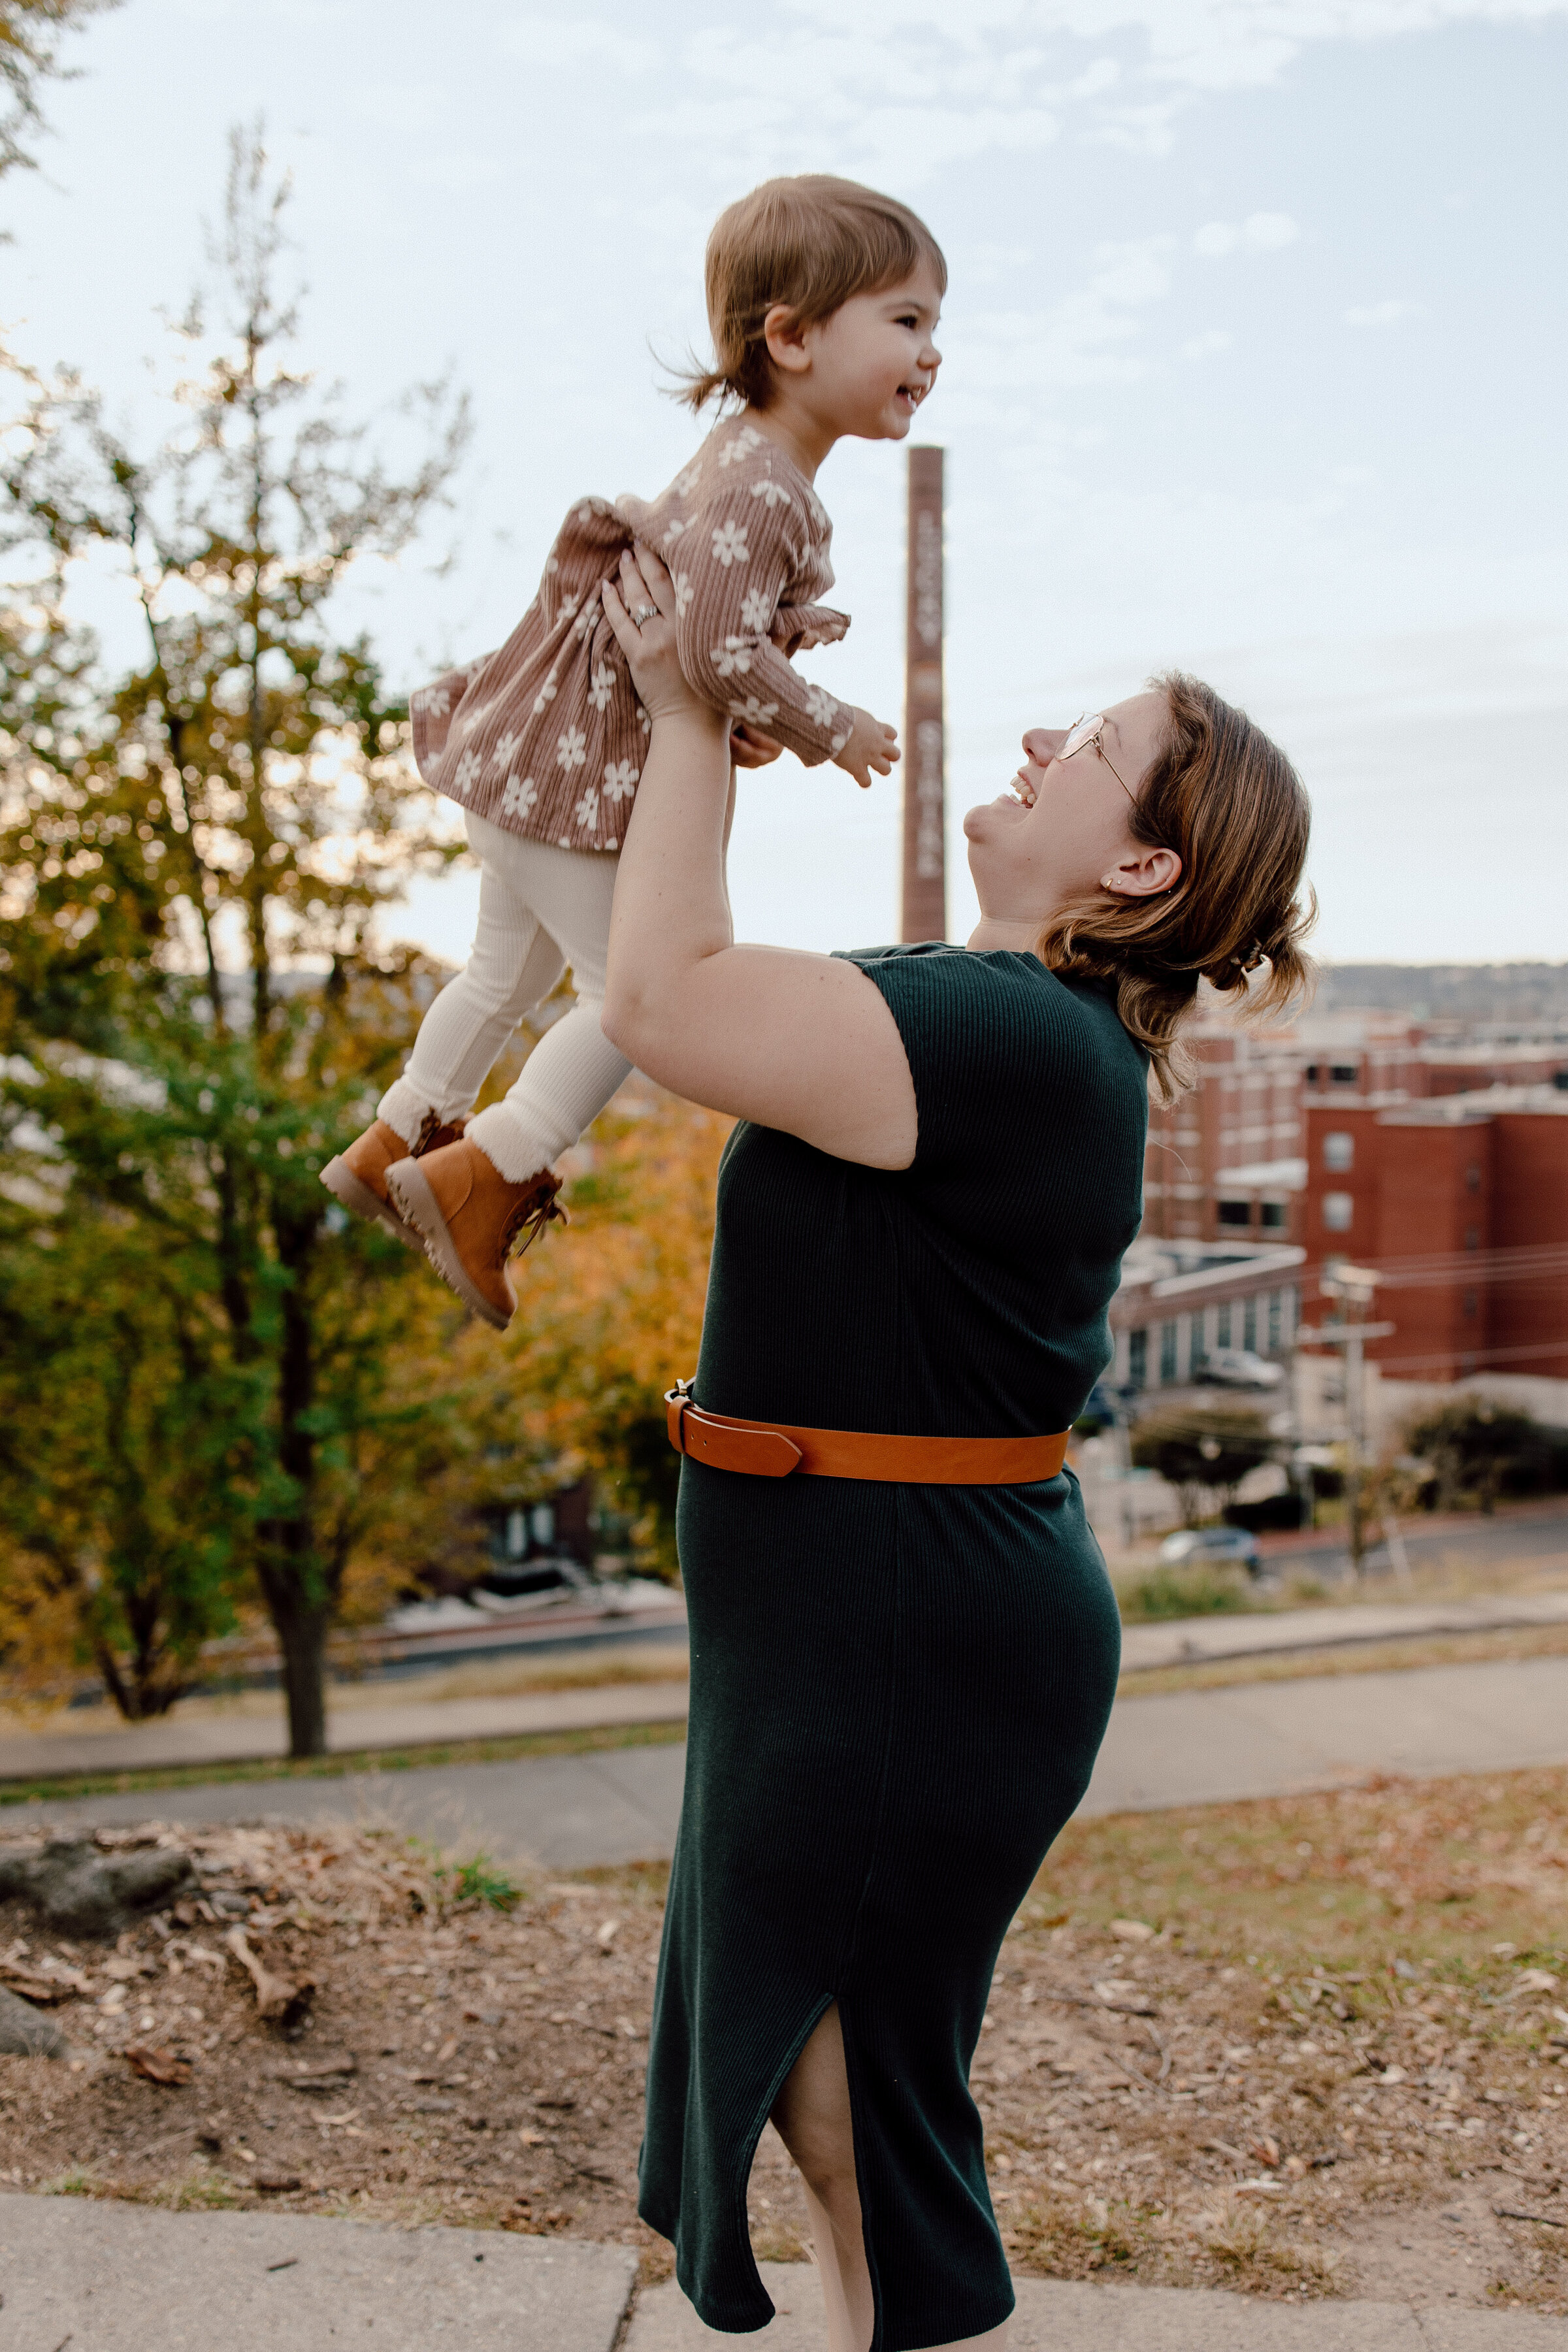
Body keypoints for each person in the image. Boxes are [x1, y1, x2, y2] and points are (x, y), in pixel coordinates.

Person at [596, 541, 1315, 2352]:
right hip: (857, 1616)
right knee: (833, 2097)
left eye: (1085, 745)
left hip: (904, 1633)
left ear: (1142, 865)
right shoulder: (993, 1016)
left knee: (855, 2108)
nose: (1032, 740)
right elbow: (685, 994)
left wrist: (694, 701)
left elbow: (663, 1000)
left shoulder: (1014, 1041)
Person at [319, 174, 945, 1329]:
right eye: (906, 321)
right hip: (580, 793)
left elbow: (703, 631)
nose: (931, 351)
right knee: (627, 1001)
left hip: (526, 773)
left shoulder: (735, 458)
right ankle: (488, 1174)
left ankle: (397, 1133)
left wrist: (759, 668)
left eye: (933, 326)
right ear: (794, 337)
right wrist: (826, 725)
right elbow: (710, 651)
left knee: (502, 978)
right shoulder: (772, 490)